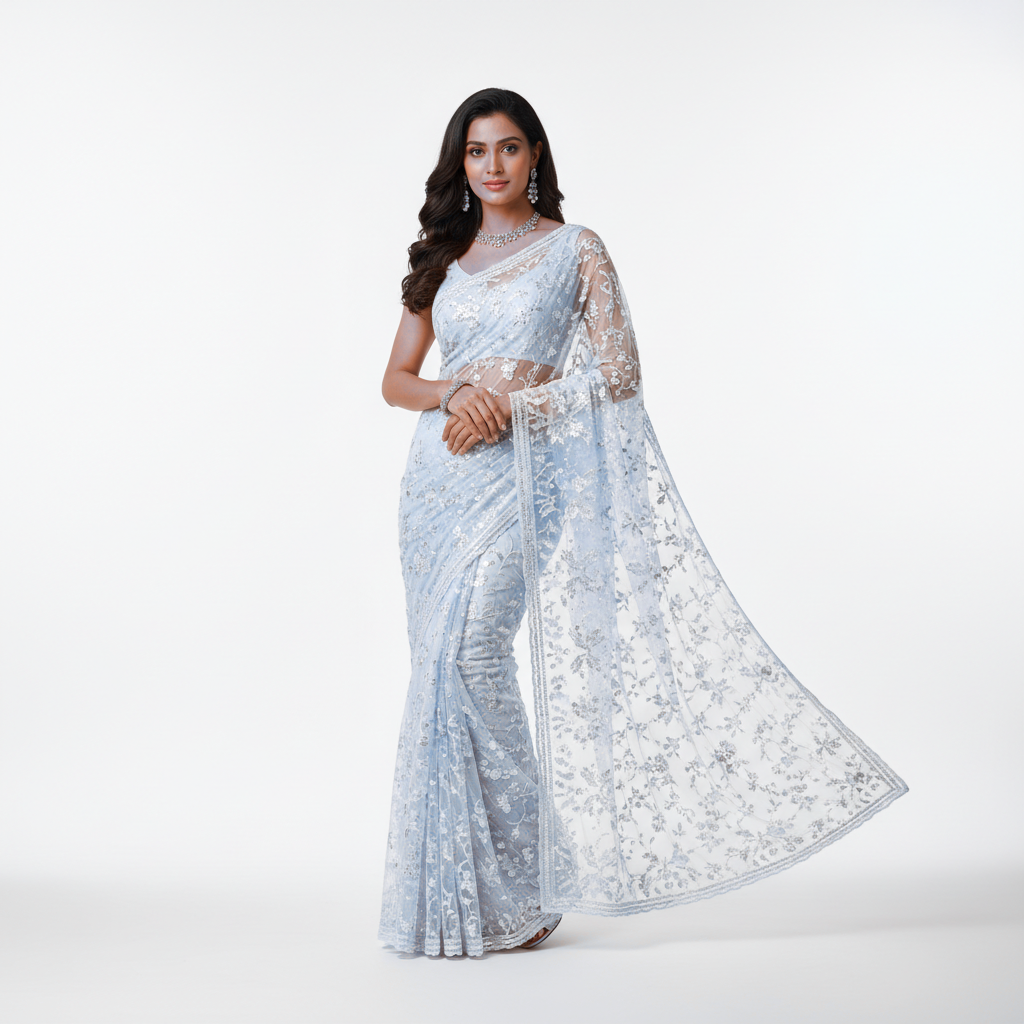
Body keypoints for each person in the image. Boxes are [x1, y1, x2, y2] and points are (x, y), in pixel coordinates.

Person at [378, 88, 907, 958]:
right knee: (441, 671)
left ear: (535, 155)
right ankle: (468, 894)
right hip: (439, 484)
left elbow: (619, 375)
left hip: (525, 476)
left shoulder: (575, 248)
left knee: (475, 655)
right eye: (476, 151)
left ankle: (535, 887)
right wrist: (454, 391)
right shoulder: (443, 256)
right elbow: (397, 379)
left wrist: (515, 407)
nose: (493, 165)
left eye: (508, 147)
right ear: (460, 164)